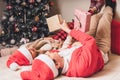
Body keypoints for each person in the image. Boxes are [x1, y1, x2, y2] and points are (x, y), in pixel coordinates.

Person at [20, 0, 116, 80]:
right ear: (57, 65)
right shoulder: (80, 67)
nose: (49, 52)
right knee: (105, 20)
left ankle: (95, 10)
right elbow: (90, 41)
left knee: (93, 19)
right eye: (48, 55)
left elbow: (65, 47)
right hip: (99, 50)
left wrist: (72, 33)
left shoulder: (58, 58)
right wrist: (68, 30)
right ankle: (110, 6)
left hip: (83, 46)